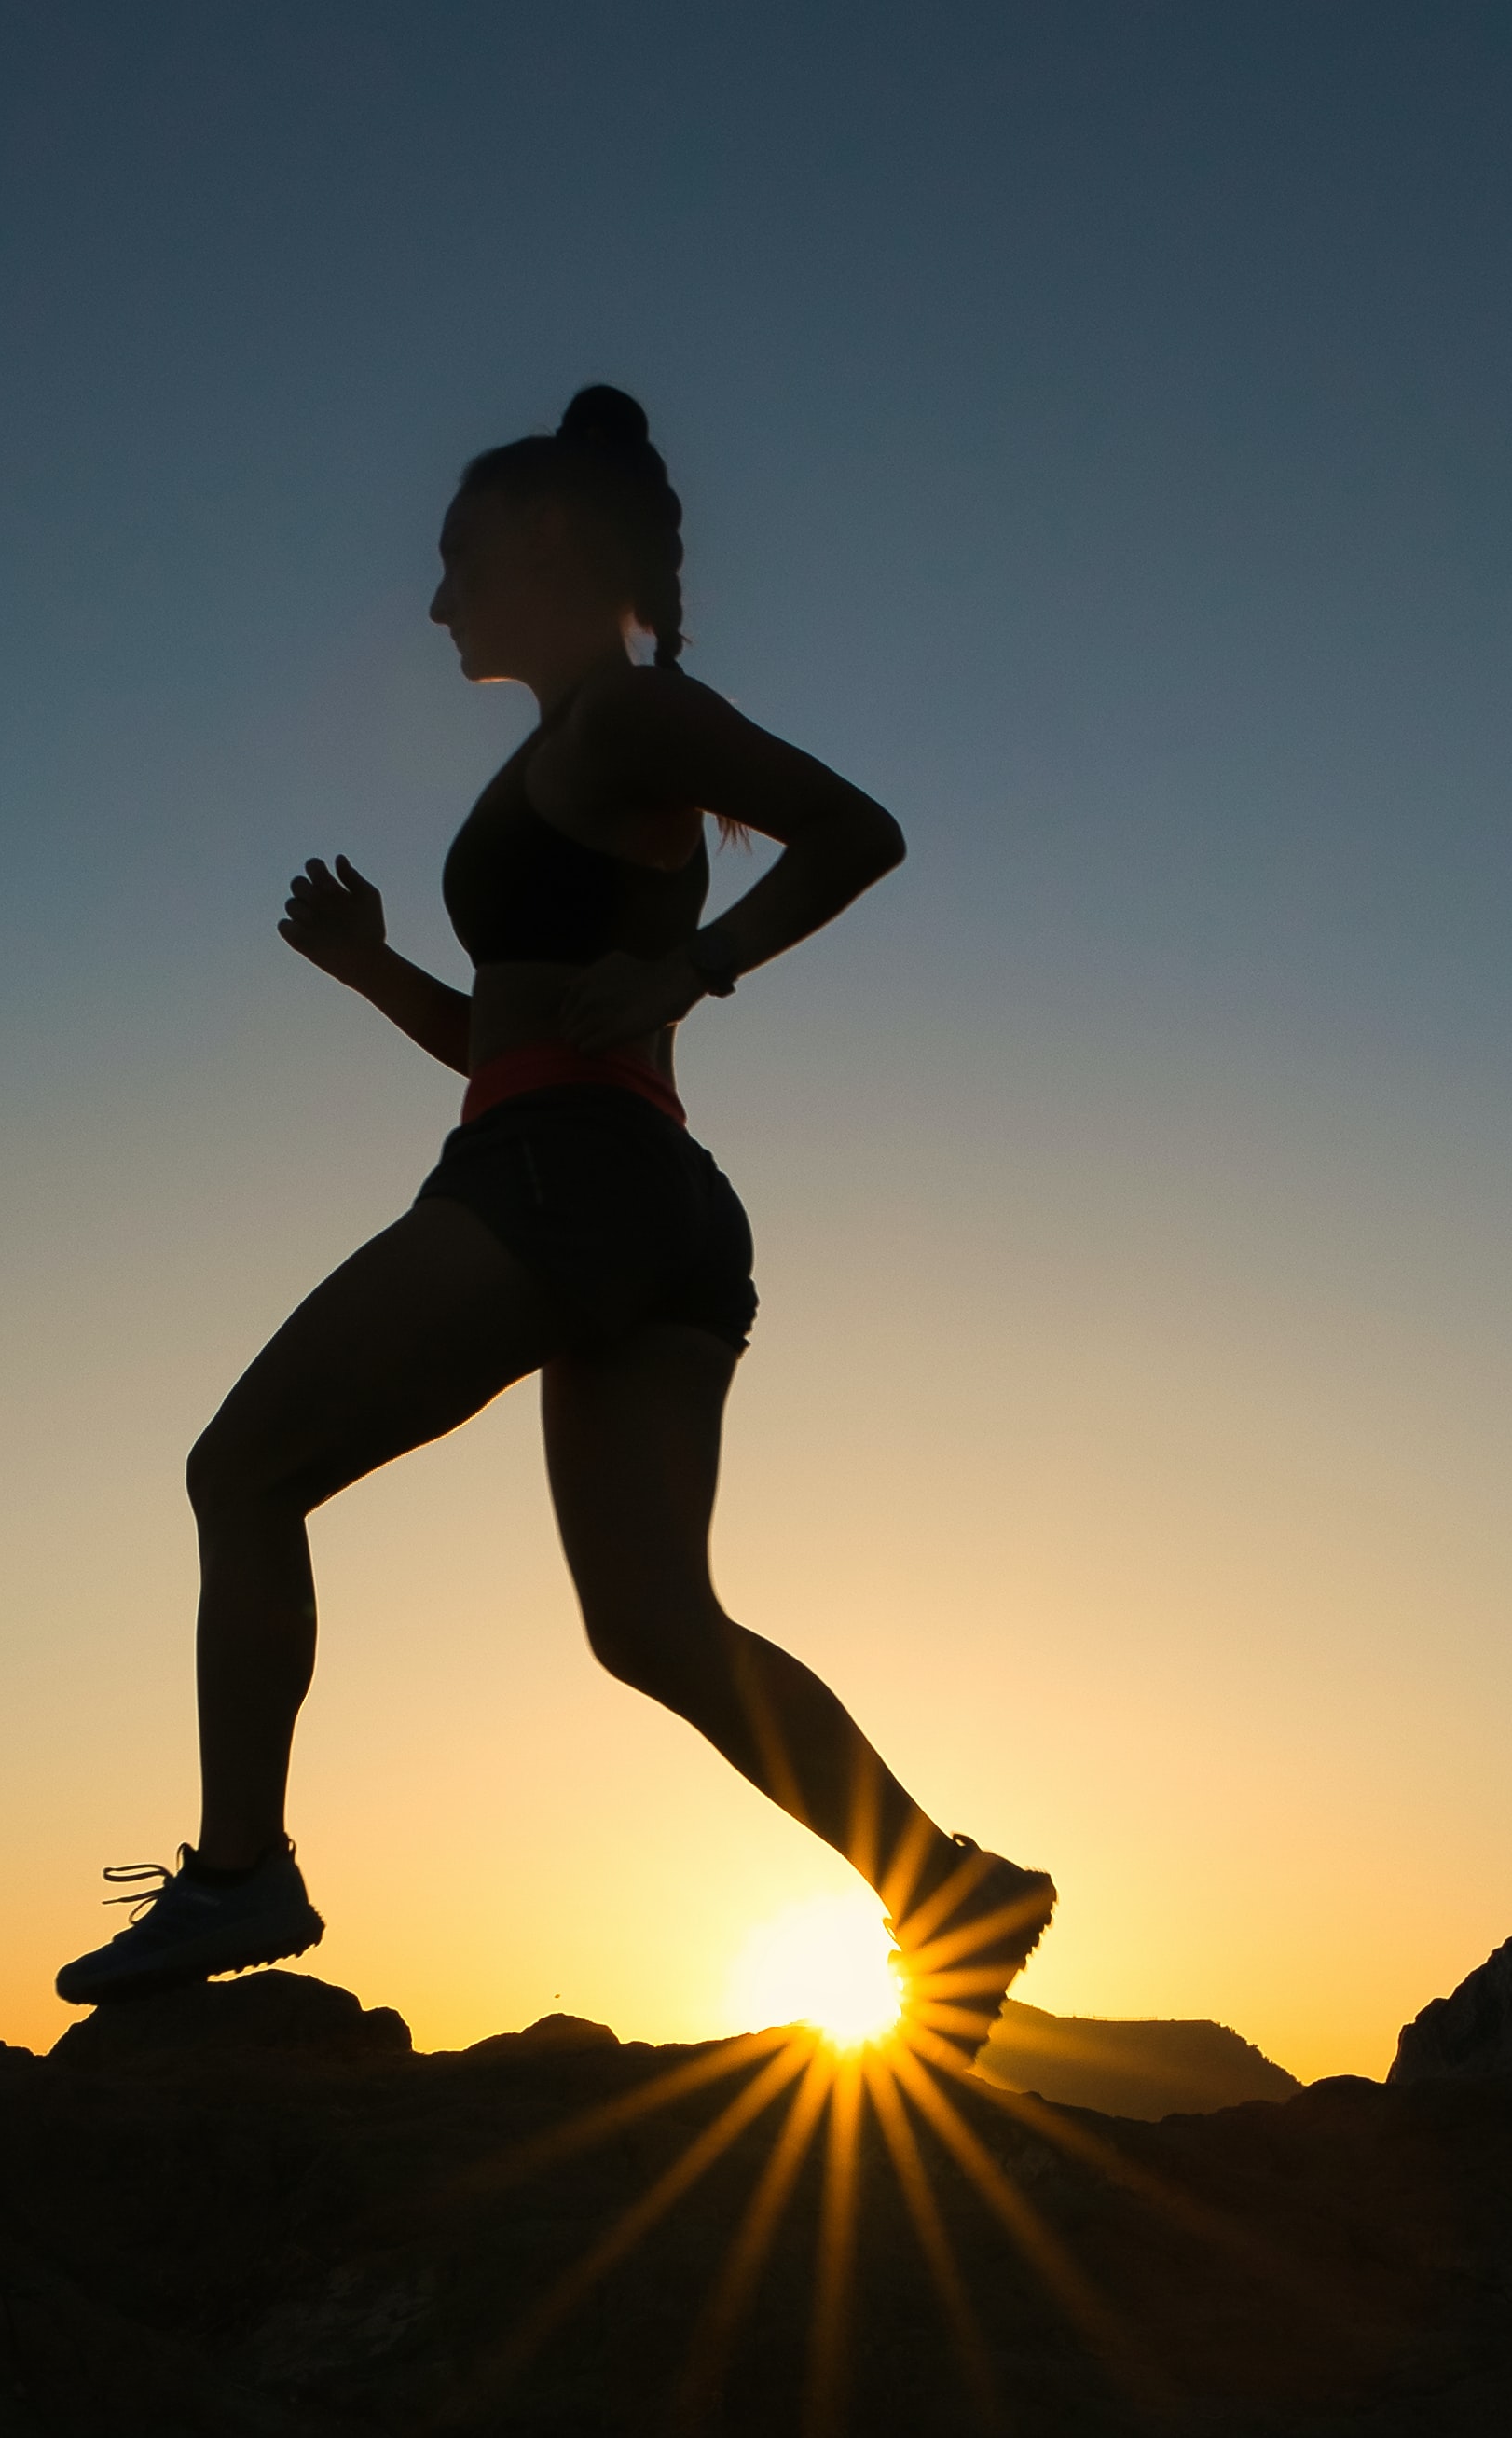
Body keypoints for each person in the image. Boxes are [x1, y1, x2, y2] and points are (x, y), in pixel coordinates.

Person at [58, 386, 1056, 2062]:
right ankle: (946, 1888)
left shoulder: (616, 723)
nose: (437, 600)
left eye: (454, 562)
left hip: (561, 1180)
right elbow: (513, 1034)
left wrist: (697, 965)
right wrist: (378, 970)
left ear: (538, 543)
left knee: (242, 1473)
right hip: (646, 1197)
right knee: (654, 1623)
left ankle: (240, 1875)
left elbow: (857, 831)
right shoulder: (574, 747)